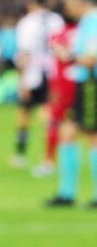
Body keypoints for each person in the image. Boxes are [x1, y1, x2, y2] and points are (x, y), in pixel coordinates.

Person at [46, 0, 97, 207]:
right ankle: (66, 193)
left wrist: (67, 55)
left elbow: (91, 59)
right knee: (66, 133)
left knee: (93, 137)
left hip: (92, 84)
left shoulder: (93, 22)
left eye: (68, 3)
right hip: (82, 84)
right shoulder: (86, 23)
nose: (66, 9)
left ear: (80, 1)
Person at [11, 0, 63, 168]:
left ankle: (20, 155)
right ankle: (49, 158)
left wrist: (22, 81)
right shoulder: (57, 20)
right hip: (54, 73)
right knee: (50, 116)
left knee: (24, 115)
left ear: (31, 3)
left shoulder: (27, 23)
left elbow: (24, 54)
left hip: (33, 74)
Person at [32, 11, 77, 177]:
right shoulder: (85, 33)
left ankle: (49, 162)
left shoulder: (58, 35)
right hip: (83, 84)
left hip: (63, 86)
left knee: (55, 123)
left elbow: (62, 57)